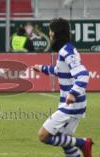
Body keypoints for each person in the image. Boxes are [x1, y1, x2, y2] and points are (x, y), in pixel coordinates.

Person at [32, 18, 93, 157]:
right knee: (66, 144)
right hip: (70, 103)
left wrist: (73, 93)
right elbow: (60, 70)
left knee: (43, 135)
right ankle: (82, 144)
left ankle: (84, 143)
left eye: (50, 30)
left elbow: (83, 74)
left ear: (55, 32)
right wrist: (41, 68)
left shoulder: (67, 51)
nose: (49, 33)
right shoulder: (65, 49)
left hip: (71, 105)